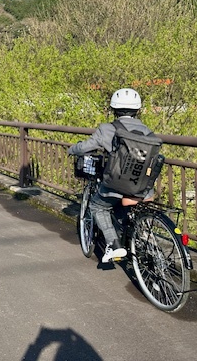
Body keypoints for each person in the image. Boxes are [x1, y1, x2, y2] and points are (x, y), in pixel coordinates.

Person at [67, 88, 155, 263]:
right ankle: (143, 239)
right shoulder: (147, 131)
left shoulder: (107, 129)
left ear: (114, 109)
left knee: (97, 207)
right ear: (138, 110)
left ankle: (114, 245)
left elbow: (85, 147)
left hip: (117, 184)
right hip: (144, 186)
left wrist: (72, 149)